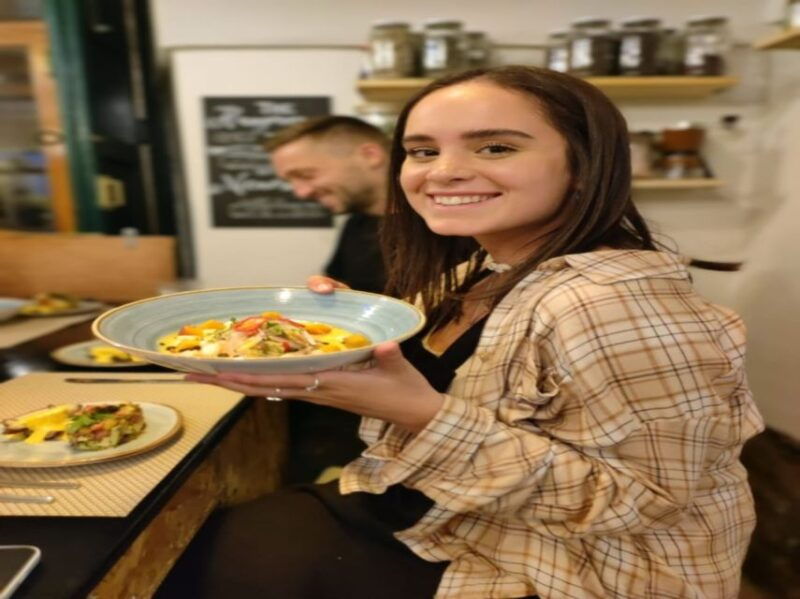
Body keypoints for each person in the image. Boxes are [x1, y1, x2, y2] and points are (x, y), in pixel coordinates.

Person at [158, 66, 764, 599]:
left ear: (584, 166)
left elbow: (640, 503)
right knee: (203, 539)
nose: (444, 172)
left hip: (564, 567)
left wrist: (424, 414)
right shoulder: (480, 266)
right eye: (422, 152)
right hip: (448, 509)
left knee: (207, 566)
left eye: (496, 147)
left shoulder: (614, 305)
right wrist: (339, 332)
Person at [266, 115, 390, 294]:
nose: (301, 193)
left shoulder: (436, 226)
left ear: (370, 156)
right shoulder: (357, 223)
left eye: (306, 175)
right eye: (290, 181)